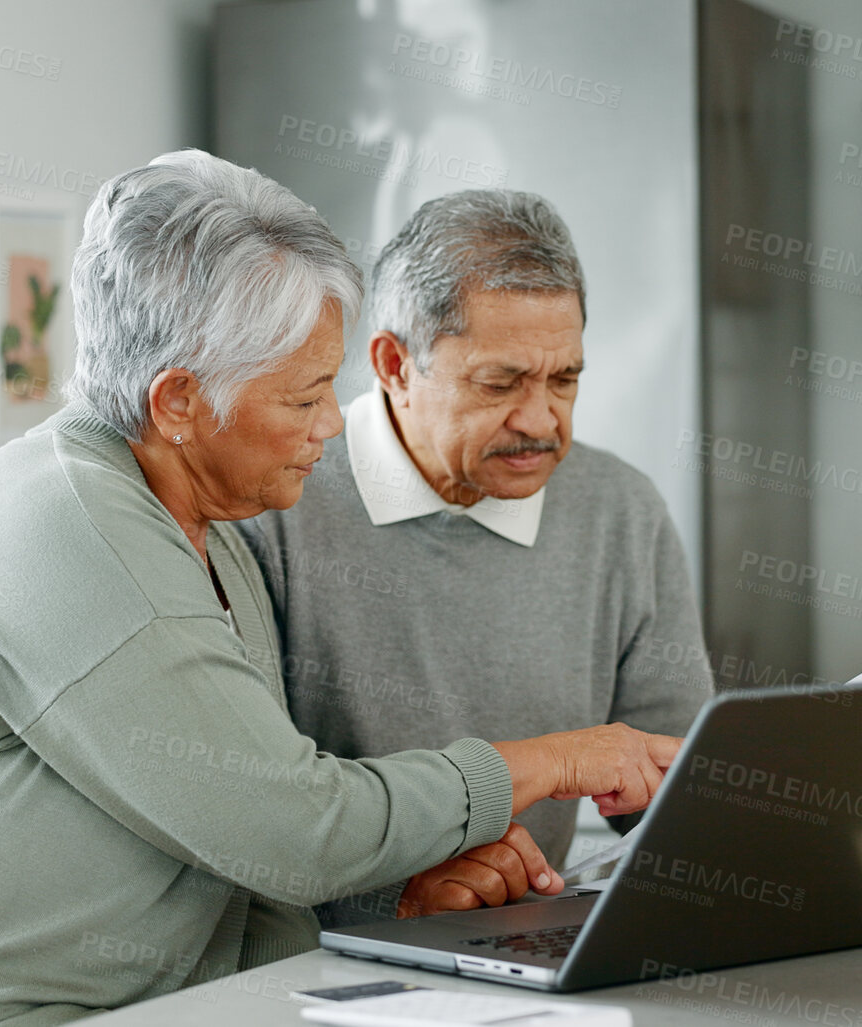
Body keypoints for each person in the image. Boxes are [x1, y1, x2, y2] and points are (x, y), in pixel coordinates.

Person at [0, 152, 681, 1025]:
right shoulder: (64, 521)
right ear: (178, 404)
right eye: (301, 398)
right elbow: (296, 829)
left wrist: (409, 917)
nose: (333, 427)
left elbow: (236, 875)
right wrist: (552, 762)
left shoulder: (204, 536)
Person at [240, 190, 714, 926]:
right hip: (323, 964)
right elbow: (242, 816)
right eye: (499, 383)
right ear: (394, 364)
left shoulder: (620, 509)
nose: (540, 421)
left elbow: (674, 797)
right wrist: (391, 895)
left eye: (565, 380)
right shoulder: (272, 504)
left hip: (526, 942)